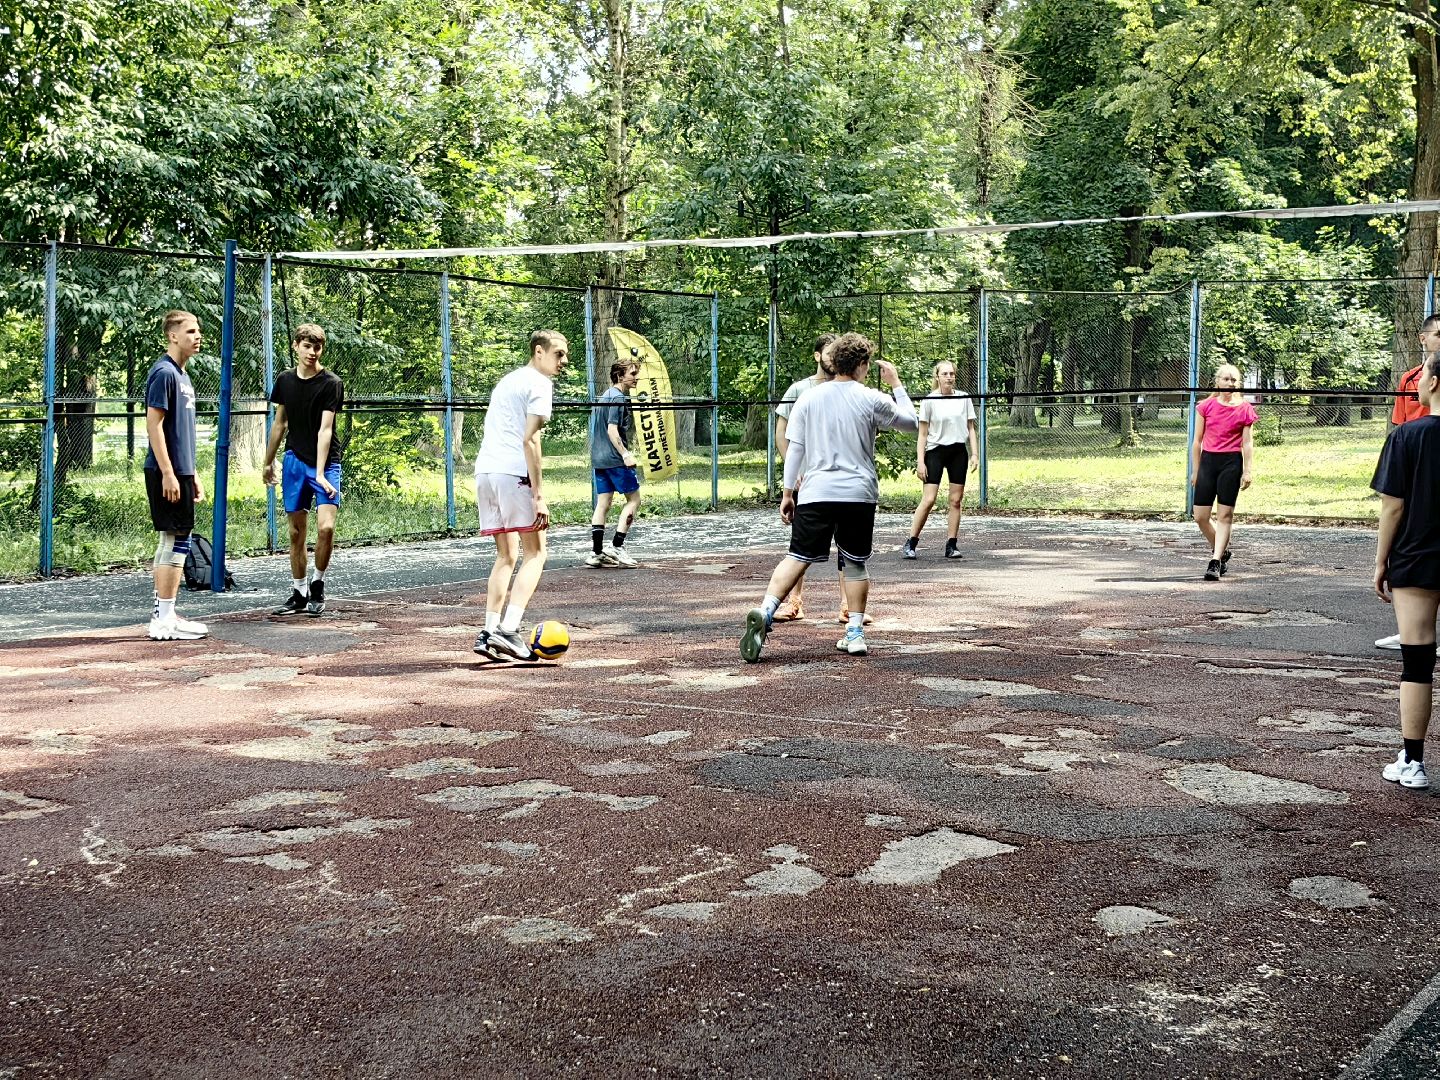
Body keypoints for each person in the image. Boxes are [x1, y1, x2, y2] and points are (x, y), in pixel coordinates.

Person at [741, 332, 918, 662]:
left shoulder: (809, 398)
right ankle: (854, 632)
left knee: (797, 556)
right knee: (854, 561)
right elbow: (911, 423)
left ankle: (765, 612)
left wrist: (788, 491)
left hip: (815, 491)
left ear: (833, 361)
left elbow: (796, 449)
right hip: (858, 493)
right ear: (863, 364)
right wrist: (895, 384)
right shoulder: (871, 397)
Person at [472, 330, 569, 661]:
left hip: (486, 472)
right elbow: (530, 439)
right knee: (536, 553)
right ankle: (510, 630)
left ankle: (488, 633)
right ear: (539, 352)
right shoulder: (540, 384)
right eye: (558, 354)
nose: (563, 361)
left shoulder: (508, 380)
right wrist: (538, 494)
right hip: (513, 473)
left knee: (506, 556)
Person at [1370, 348, 1440, 790]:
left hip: (1417, 557)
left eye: (1423, 370)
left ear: (1432, 383)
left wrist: (1381, 561)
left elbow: (1392, 507)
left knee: (1417, 662)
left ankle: (1412, 762)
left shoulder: (1406, 436)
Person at [262, 324, 344, 617]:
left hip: (326, 463)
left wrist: (320, 473)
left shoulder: (331, 383)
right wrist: (268, 462)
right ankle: (299, 592)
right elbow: (279, 423)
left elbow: (325, 430)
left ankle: (318, 583)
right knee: (296, 533)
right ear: (296, 346)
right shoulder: (284, 380)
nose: (312, 352)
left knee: (326, 528)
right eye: (307, 346)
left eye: (317, 347)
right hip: (294, 462)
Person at [143, 310, 208, 641]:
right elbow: (153, 425)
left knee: (177, 538)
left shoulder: (183, 376)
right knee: (174, 538)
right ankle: (162, 620)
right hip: (164, 470)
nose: (198, 336)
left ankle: (166, 614)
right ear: (173, 336)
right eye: (191, 331)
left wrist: (191, 472)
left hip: (180, 470)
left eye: (198, 330)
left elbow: (182, 432)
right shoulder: (164, 373)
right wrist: (168, 473)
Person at [1376, 312, 1440, 650]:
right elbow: (1401, 426)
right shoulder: (1410, 379)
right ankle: (1411, 629)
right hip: (1418, 462)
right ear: (1423, 338)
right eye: (1438, 334)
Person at [770, 333, 836, 621]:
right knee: (800, 543)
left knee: (847, 545)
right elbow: (781, 436)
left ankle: (850, 608)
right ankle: (793, 602)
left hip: (835, 478)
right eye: (828, 353)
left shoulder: (845, 388)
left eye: (837, 353)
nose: (832, 358)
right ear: (817, 356)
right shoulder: (798, 389)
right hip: (804, 481)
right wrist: (793, 473)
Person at [902, 360, 978, 560]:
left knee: (955, 500)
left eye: (952, 373)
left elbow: (971, 428)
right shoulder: (929, 400)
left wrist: (975, 454)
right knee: (928, 499)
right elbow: (923, 435)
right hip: (935, 452)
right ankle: (911, 542)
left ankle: (951, 545)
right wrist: (921, 461)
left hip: (957, 452)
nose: (949, 377)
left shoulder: (963, 398)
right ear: (937, 377)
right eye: (945, 374)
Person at [1189, 363, 1256, 581]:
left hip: (1231, 463)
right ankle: (1223, 550)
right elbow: (1197, 441)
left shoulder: (1245, 408)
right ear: (1217, 382)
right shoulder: (1205, 406)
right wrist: (1196, 471)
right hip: (1209, 461)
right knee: (1200, 516)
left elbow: (1247, 444)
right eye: (1226, 379)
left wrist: (1247, 471)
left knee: (1225, 515)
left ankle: (1215, 561)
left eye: (1234, 380)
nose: (1230, 383)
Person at [586, 358, 641, 569]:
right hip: (614, 459)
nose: (636, 378)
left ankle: (596, 553)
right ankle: (617, 546)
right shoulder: (618, 398)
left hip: (599, 459)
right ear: (620, 375)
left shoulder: (605, 396)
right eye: (632, 374)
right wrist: (626, 454)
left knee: (604, 503)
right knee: (634, 499)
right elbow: (612, 430)